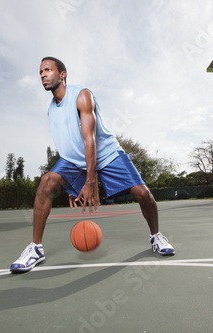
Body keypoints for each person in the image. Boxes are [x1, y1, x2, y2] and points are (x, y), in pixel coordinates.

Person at [10, 57, 174, 272]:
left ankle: (156, 236)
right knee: (46, 183)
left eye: (47, 70)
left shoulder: (82, 96)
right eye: (40, 72)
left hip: (106, 153)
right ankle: (36, 249)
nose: (42, 75)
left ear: (62, 75)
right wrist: (70, 183)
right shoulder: (51, 109)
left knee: (143, 194)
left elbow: (90, 140)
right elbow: (67, 143)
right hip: (74, 161)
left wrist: (90, 181)